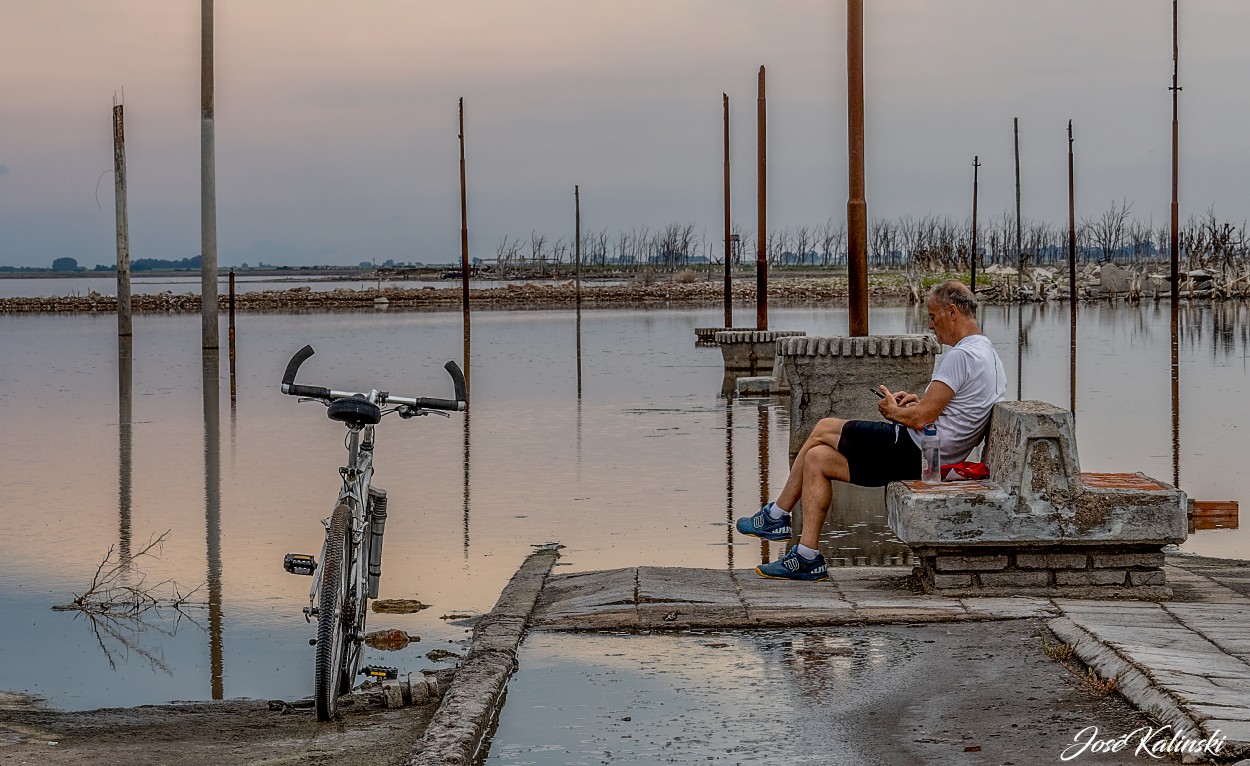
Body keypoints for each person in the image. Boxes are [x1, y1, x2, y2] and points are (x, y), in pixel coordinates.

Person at [736, 280, 1006, 581]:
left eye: (932, 316)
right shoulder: (988, 354)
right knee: (817, 459)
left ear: (952, 312)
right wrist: (914, 403)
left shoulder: (961, 356)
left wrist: (894, 412)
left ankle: (776, 516)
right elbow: (944, 410)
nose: (930, 324)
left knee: (824, 427)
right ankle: (806, 557)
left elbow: (920, 419)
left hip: (916, 450)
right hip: (931, 456)